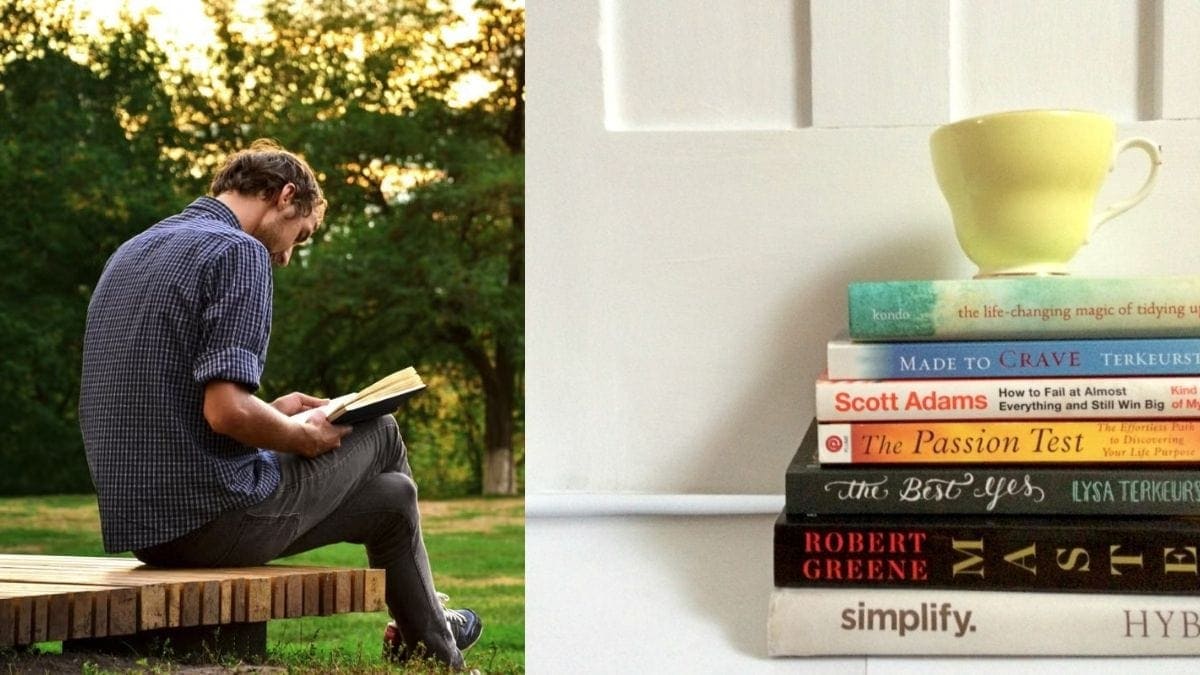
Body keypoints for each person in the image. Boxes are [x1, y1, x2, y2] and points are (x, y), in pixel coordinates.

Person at [78, 139, 480, 669]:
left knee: (392, 498)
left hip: (144, 527)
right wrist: (301, 435)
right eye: (300, 235)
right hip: (210, 518)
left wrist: (275, 410)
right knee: (380, 429)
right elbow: (225, 412)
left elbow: (176, 406)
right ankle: (427, 622)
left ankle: (431, 649)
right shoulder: (237, 251)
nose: (287, 255)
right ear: (285, 196)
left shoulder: (134, 250)